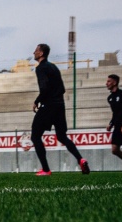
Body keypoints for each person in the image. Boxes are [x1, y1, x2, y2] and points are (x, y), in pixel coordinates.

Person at [31, 43, 90, 176]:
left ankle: (46, 169)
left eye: (35, 50)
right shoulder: (54, 67)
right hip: (60, 105)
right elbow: (62, 88)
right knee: (62, 136)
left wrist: (37, 101)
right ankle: (80, 159)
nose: (33, 52)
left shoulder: (41, 68)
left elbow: (44, 88)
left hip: (49, 105)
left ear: (41, 53)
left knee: (35, 136)